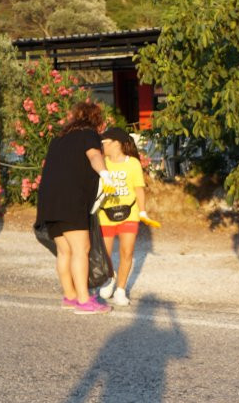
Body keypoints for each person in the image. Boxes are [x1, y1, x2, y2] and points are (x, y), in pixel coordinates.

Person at [35, 101, 116, 315]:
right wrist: (106, 174)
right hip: (71, 200)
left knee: (64, 251)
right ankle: (83, 300)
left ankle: (69, 296)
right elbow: (94, 156)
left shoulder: (58, 139)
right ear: (95, 119)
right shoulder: (88, 134)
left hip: (48, 202)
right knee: (81, 249)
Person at [96, 127, 161, 307]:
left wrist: (142, 212)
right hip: (105, 213)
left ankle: (121, 290)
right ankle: (110, 277)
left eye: (104, 142)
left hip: (129, 213)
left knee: (127, 252)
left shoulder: (132, 163)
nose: (102, 146)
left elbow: (138, 188)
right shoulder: (101, 162)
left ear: (116, 143)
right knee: (104, 254)